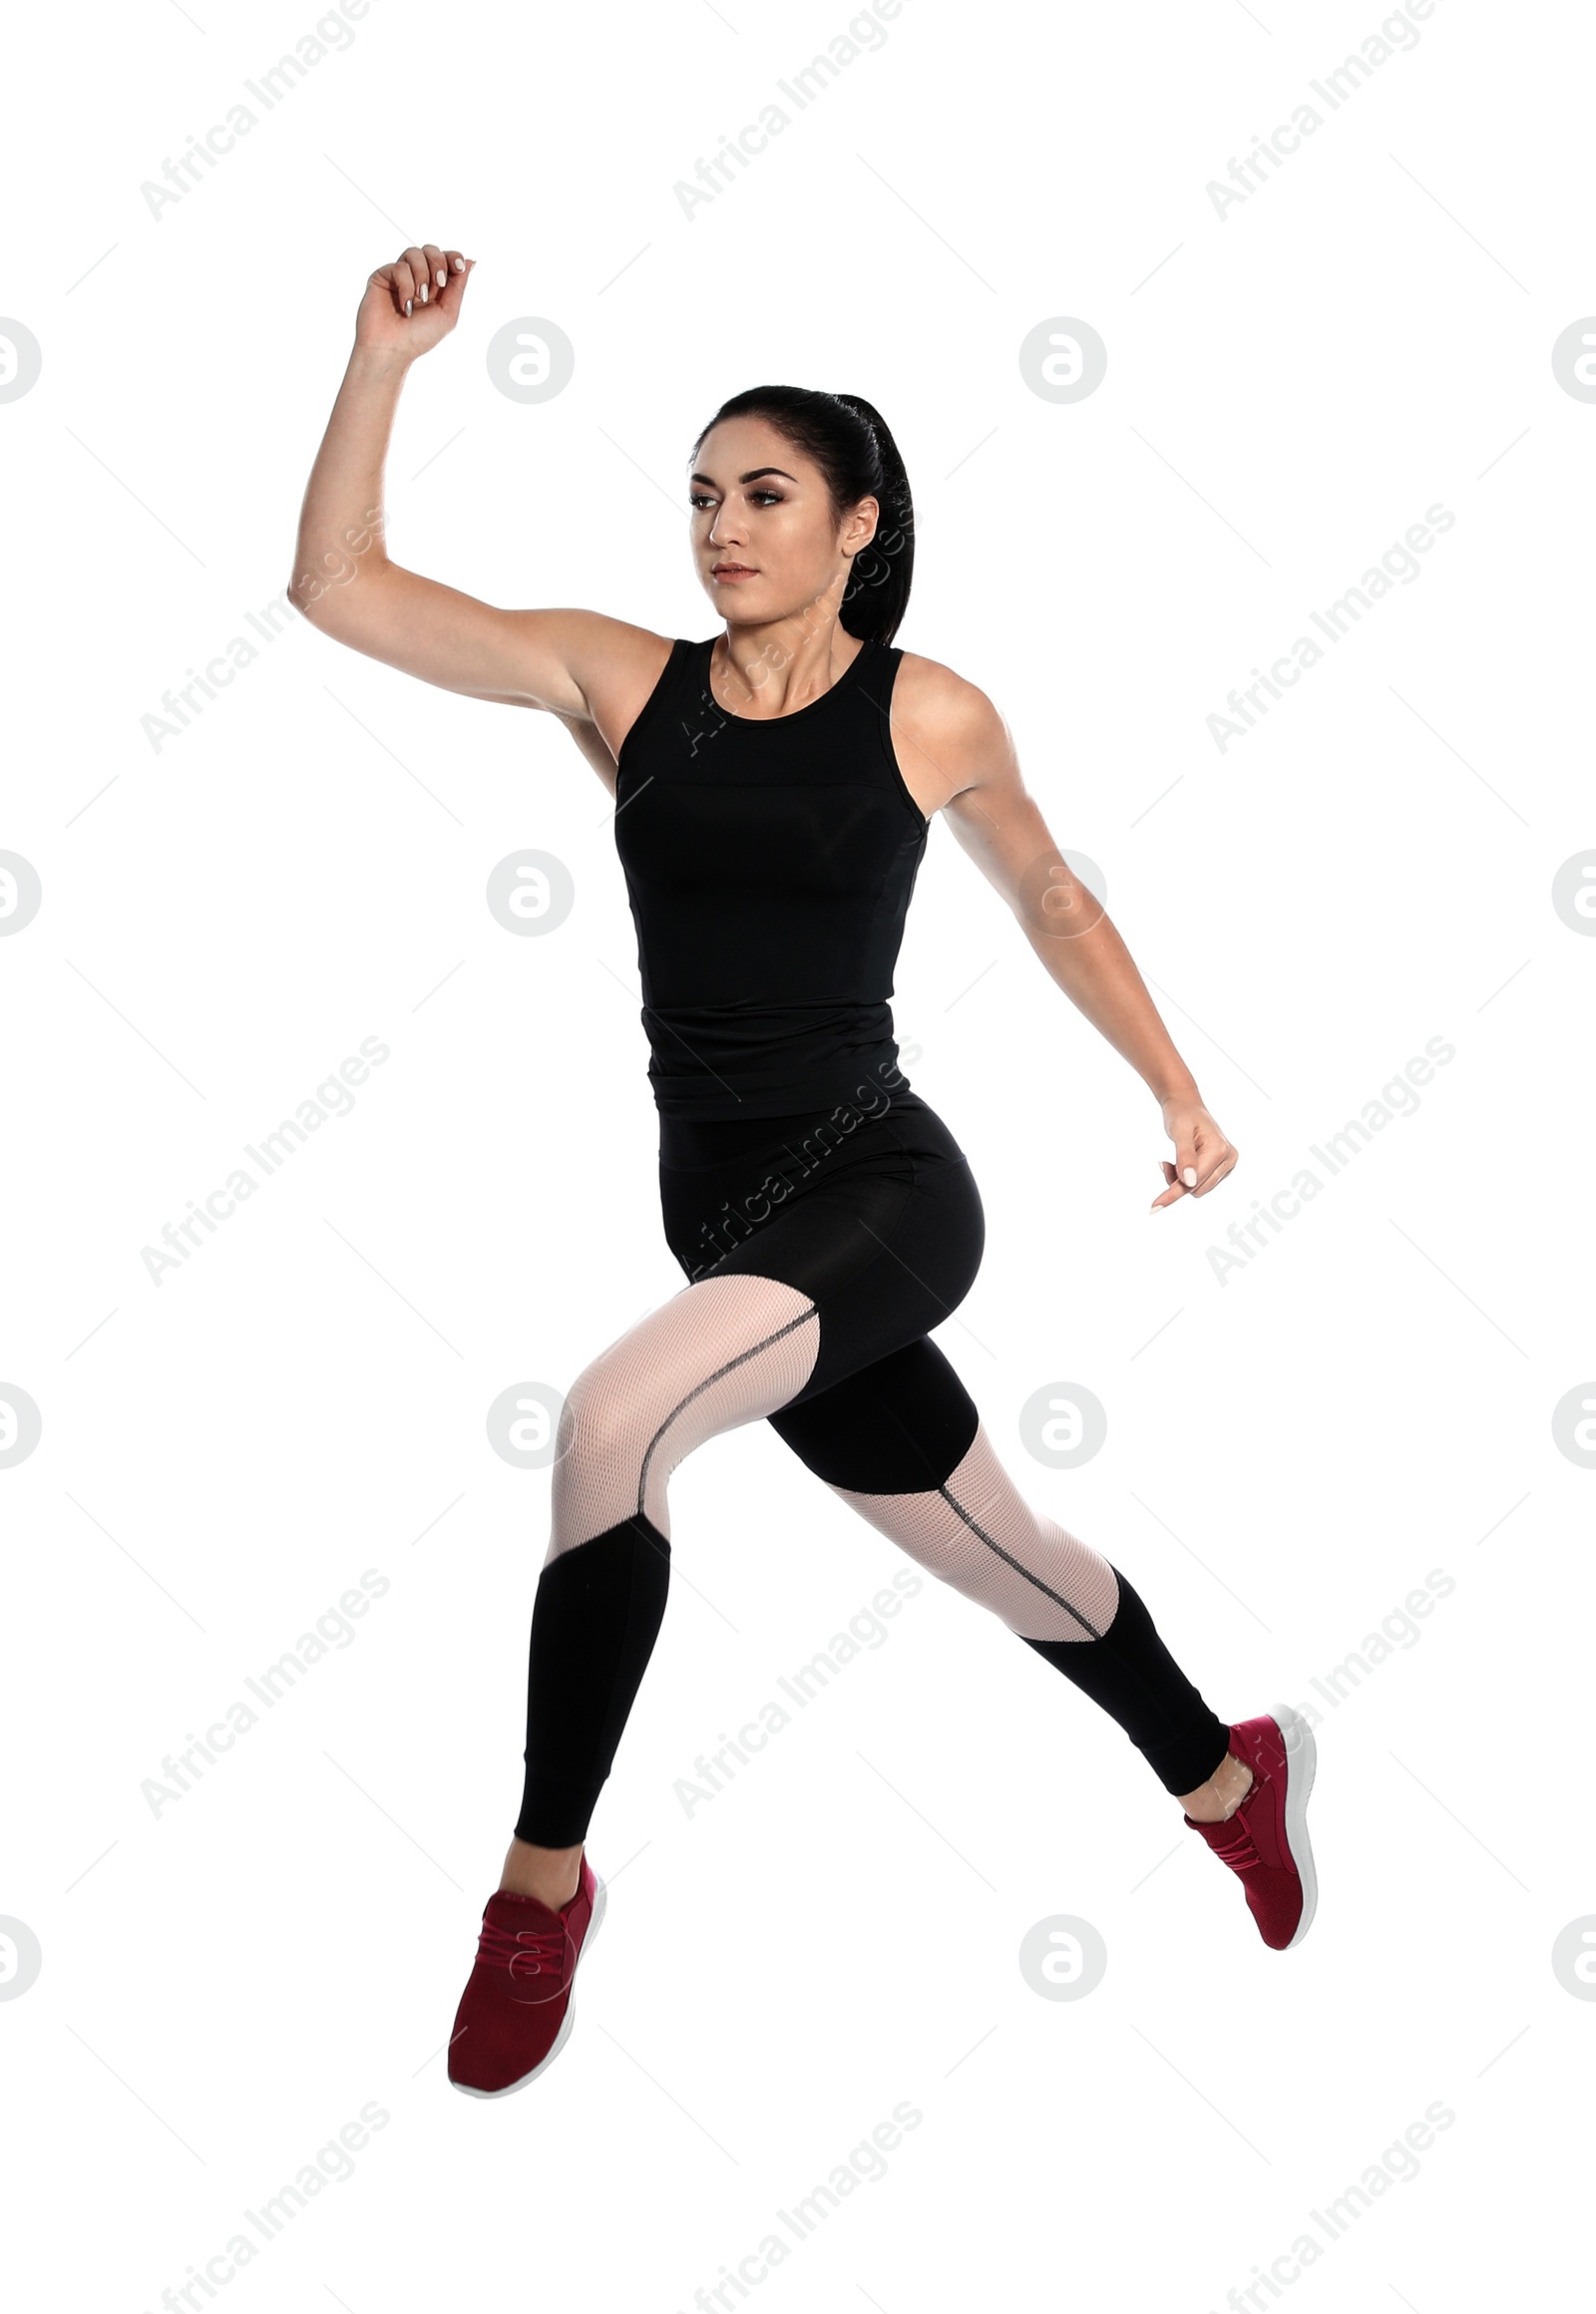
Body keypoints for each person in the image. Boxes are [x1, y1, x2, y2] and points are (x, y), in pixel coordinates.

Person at [289, 243, 1319, 2102]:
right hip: (727, 1217)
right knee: (1009, 1556)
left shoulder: (929, 711)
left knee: (610, 1428)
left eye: (764, 495)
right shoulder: (622, 685)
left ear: (857, 523)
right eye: (699, 496)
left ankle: (540, 1891)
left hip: (888, 1193)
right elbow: (339, 585)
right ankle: (1230, 1774)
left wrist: (1177, 1085)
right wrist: (383, 364)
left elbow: (1056, 896)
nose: (721, 528)